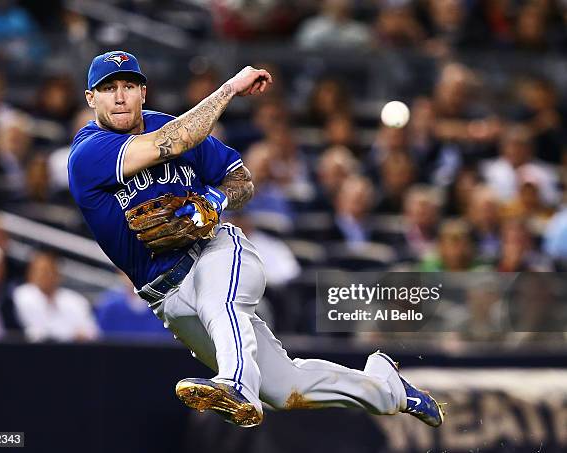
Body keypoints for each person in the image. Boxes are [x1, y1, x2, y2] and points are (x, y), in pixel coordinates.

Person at [68, 50, 443, 428]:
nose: (119, 96)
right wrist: (230, 88)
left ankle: (235, 382)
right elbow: (175, 141)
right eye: (108, 88)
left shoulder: (171, 123)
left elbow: (241, 181)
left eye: (128, 86)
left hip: (215, 251)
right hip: (165, 296)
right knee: (285, 387)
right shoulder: (88, 153)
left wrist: (217, 199)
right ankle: (387, 389)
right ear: (90, 99)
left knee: (220, 303)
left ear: (143, 92)